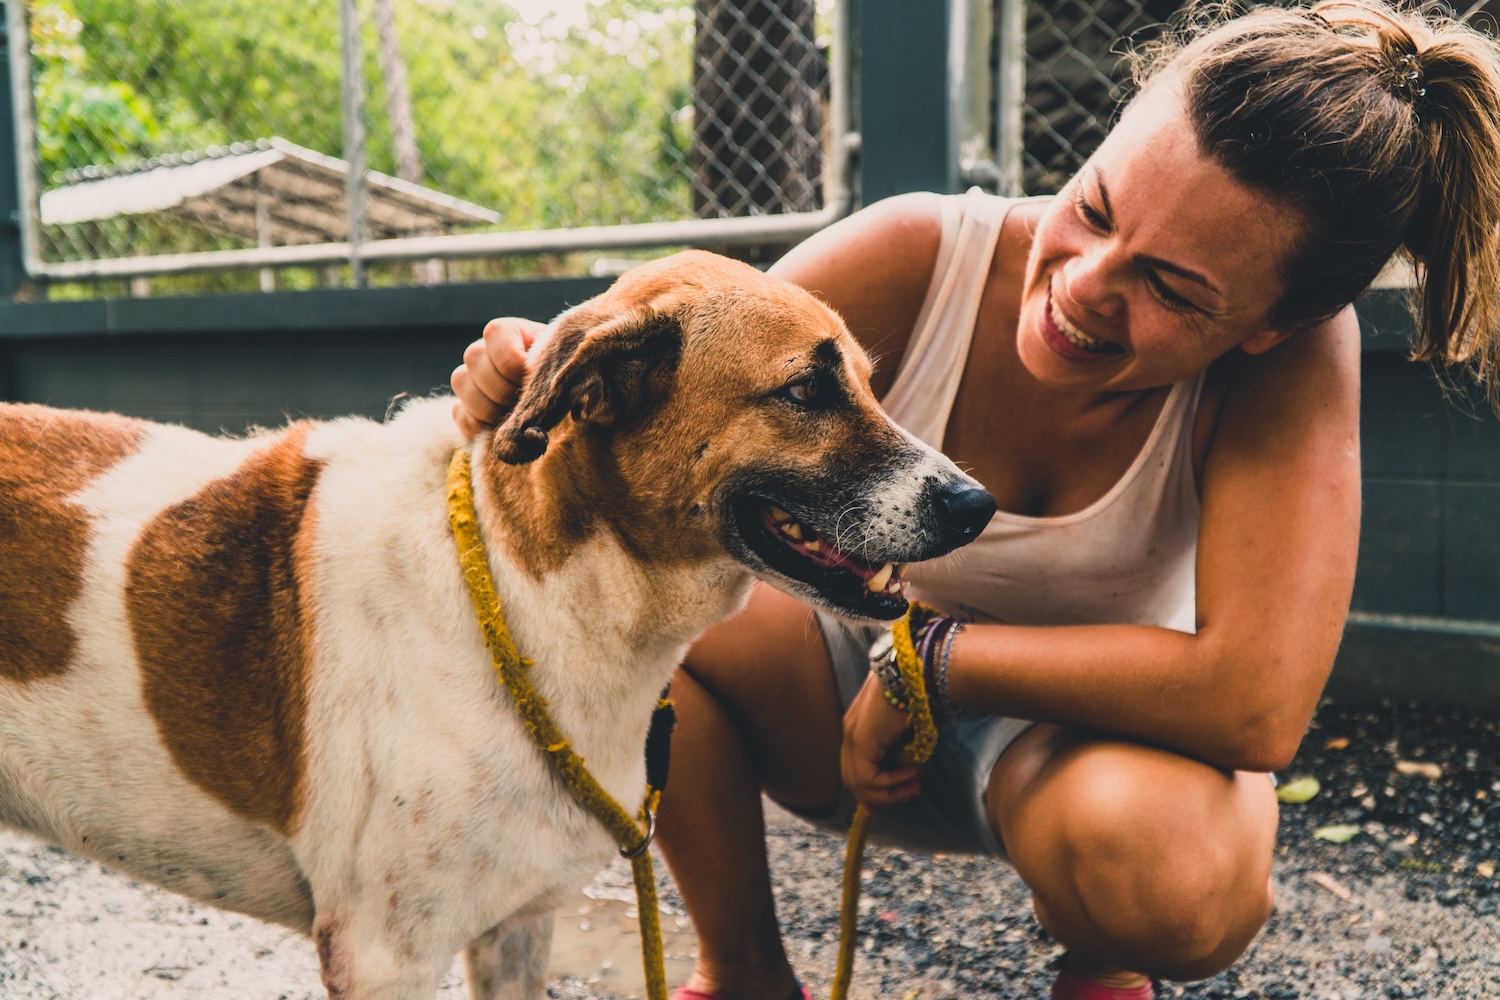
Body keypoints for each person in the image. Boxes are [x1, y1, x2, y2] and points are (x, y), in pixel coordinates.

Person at [450, 2, 1500, 997]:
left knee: (1184, 880)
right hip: (821, 699)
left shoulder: (1298, 360)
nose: (1085, 285)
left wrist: (930, 665)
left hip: (1077, 744)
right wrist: (515, 367)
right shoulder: (923, 248)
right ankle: (746, 973)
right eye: (1093, 206)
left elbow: (1257, 700)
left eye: (1173, 289)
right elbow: (644, 389)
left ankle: (1101, 960)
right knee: (627, 598)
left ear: (1271, 322)